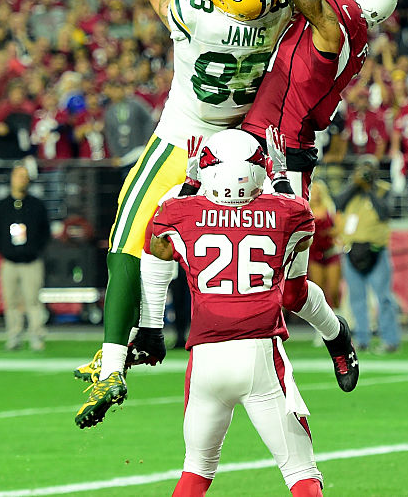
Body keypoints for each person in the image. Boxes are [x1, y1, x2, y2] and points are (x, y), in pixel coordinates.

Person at [75, 0, 291, 413]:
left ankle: (114, 360)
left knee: (130, 232)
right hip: (238, 150)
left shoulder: (194, 14)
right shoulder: (274, 17)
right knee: (198, 240)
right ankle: (175, 333)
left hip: (182, 139)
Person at [228, 0, 400, 380]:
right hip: (246, 144)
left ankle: (336, 334)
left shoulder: (342, 19)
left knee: (290, 288)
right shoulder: (342, 19)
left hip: (285, 157)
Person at [139, 129, 324, 496]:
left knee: (195, 473)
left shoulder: (180, 213)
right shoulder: (285, 212)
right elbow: (302, 223)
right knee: (301, 472)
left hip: (205, 360)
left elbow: (157, 244)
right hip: (258, 355)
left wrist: (190, 186)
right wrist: (282, 176)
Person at [333, 157, 401, 353]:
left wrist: (370, 189)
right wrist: (355, 184)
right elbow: (338, 203)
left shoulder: (384, 189)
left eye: (368, 169)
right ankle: (362, 340)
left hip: (376, 250)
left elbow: (385, 212)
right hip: (352, 250)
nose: (364, 173)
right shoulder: (352, 190)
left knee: (384, 297)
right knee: (357, 298)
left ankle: (390, 340)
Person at [0, 163, 50, 351]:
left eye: (24, 176)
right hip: (9, 261)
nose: (21, 180)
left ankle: (36, 335)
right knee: (11, 301)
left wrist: (34, 250)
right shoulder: (2, 206)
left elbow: (44, 232)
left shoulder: (36, 205)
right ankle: (14, 335)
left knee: (32, 300)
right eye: (18, 176)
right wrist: (5, 251)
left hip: (31, 261)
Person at [307, 180, 341, 309]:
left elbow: (339, 227)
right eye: (314, 191)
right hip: (314, 254)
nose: (316, 194)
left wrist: (332, 233)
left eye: (318, 191)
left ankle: (339, 320)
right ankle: (321, 325)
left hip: (330, 252)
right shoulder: (305, 208)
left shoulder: (330, 208)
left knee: (334, 290)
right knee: (318, 292)